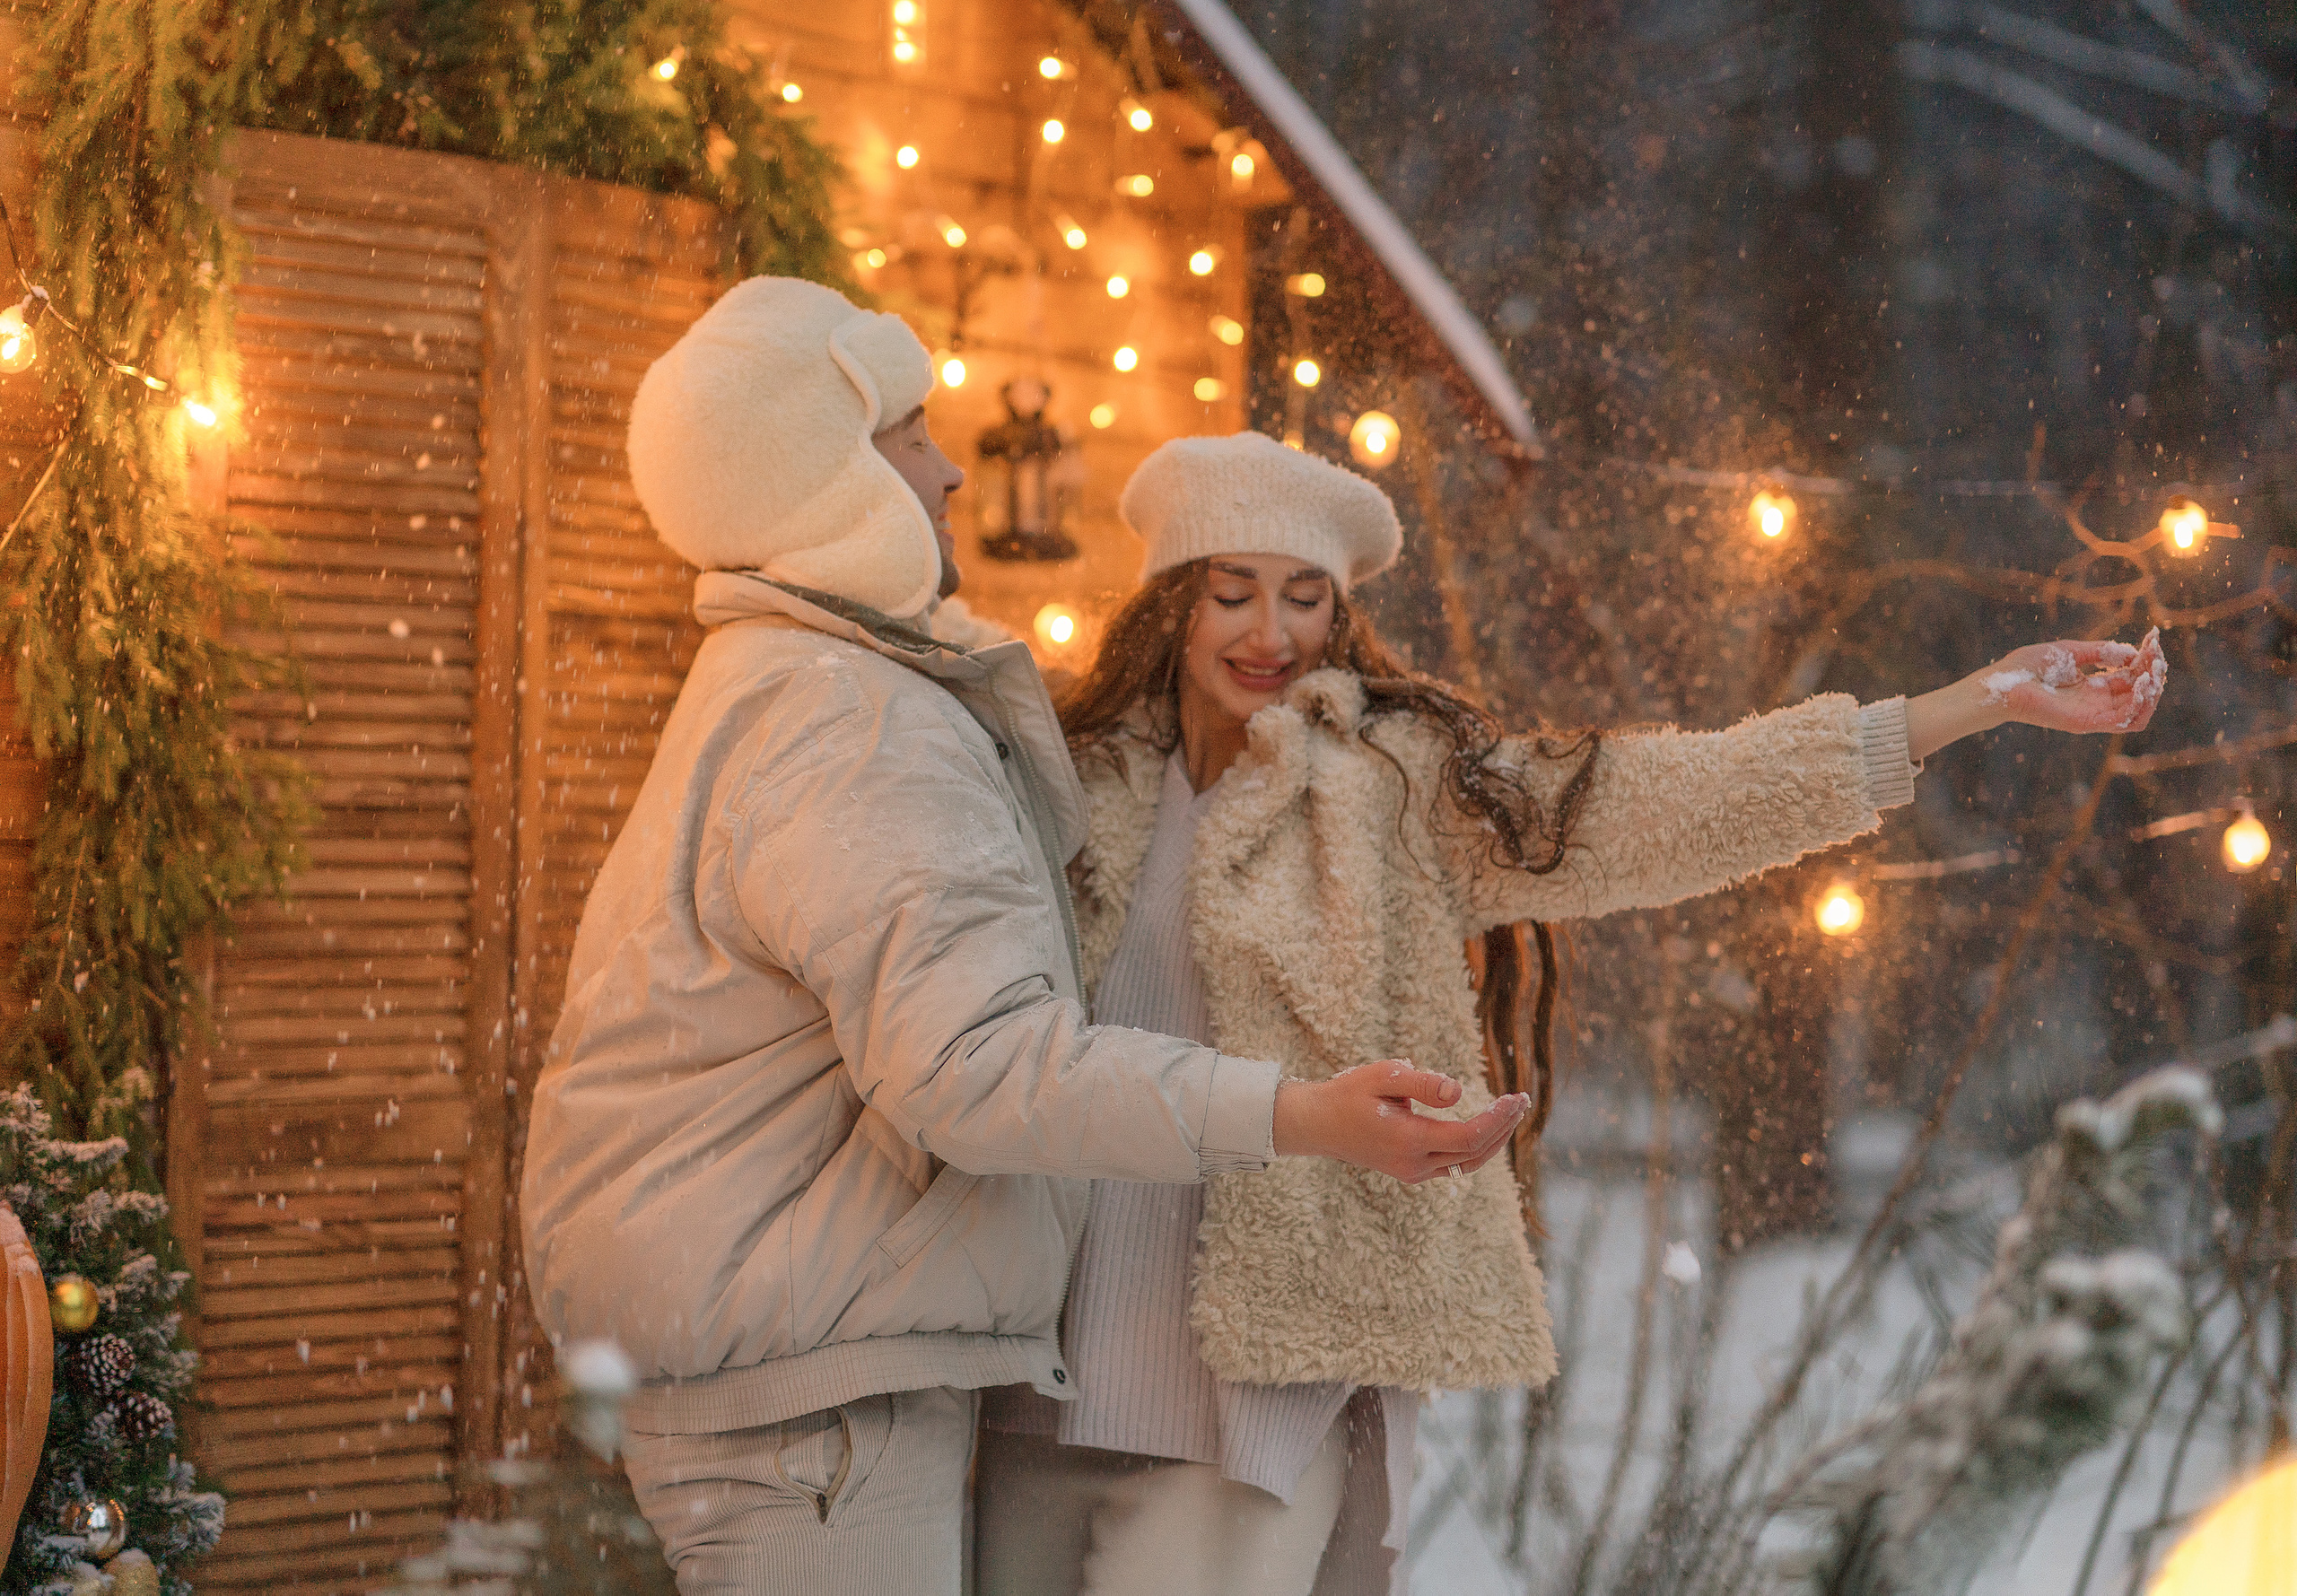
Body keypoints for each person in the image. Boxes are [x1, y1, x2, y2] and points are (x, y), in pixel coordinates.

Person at [974, 432, 2167, 1596]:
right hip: (1033, 1385)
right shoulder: (1072, 790)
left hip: (1255, 1402)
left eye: (1305, 598)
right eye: (1234, 594)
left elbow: (1648, 805)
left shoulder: (1392, 789)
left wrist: (1958, 709)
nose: (1272, 633)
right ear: (1170, 603)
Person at [515, 282, 1531, 1596]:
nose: (947, 473)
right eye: (912, 437)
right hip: (816, 1417)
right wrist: (1302, 1114)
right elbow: (981, 1070)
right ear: (829, 477)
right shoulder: (854, 721)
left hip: (787, 1389)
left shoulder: (783, 681)